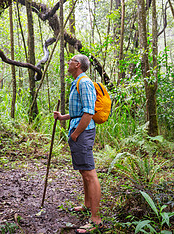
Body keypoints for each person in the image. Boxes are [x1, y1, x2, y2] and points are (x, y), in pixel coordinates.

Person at [53, 54, 103, 233]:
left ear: (78, 64)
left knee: (90, 173)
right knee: (84, 171)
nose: (68, 62)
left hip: (83, 132)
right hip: (78, 130)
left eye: (70, 60)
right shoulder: (77, 82)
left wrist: (76, 134)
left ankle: (96, 219)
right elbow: (79, 111)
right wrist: (63, 117)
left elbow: (89, 113)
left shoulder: (85, 83)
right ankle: (87, 205)